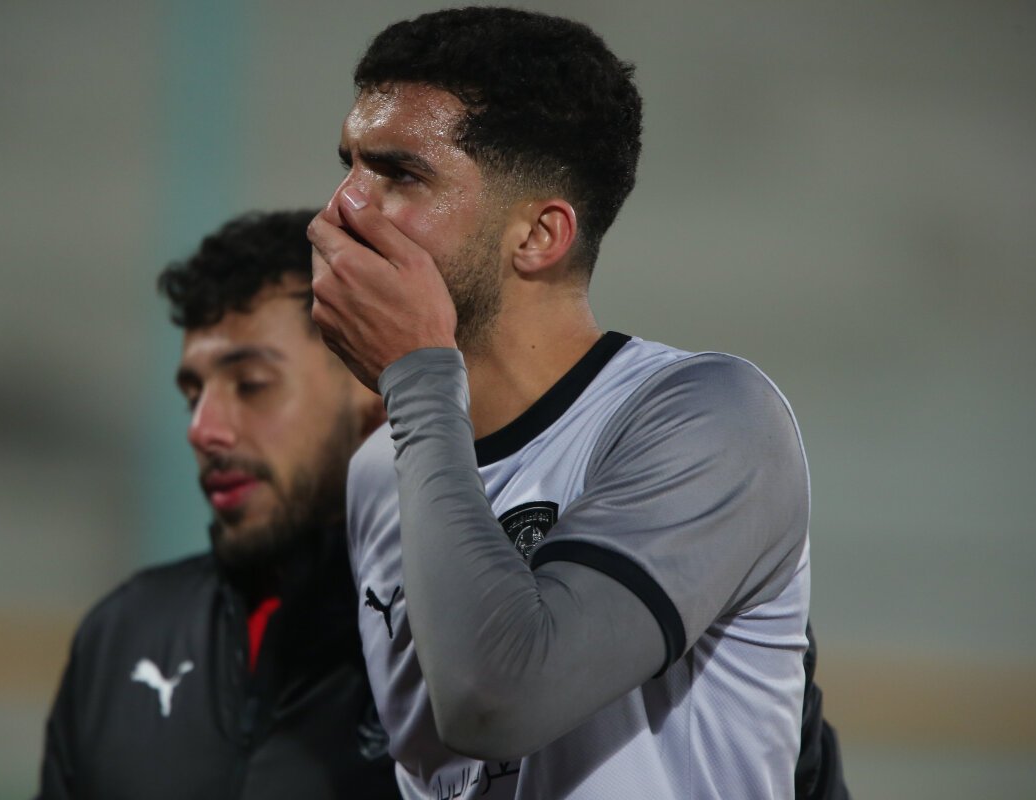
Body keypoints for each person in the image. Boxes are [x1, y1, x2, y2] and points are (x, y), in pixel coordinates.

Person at [308, 7, 847, 799]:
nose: (339, 211)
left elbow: (499, 698)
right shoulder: (376, 471)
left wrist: (418, 379)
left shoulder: (712, 419)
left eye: (400, 174)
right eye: (349, 166)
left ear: (539, 236)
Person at [37, 210, 399, 800]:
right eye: (193, 394)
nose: (202, 430)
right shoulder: (122, 635)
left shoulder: (453, 642)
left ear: (373, 390)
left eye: (251, 384)